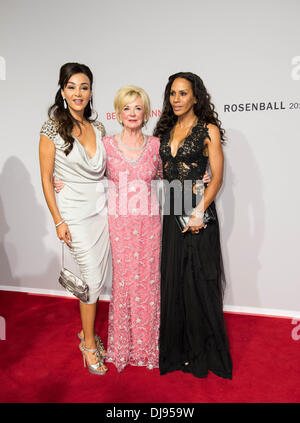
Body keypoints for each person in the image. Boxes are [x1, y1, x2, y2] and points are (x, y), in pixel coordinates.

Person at [154, 72, 233, 379]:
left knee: (199, 281)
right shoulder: (164, 131)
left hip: (198, 211)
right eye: (172, 93)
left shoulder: (208, 130)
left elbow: (218, 176)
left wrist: (199, 210)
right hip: (172, 208)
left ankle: (204, 352)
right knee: (175, 280)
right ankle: (179, 352)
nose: (176, 99)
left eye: (183, 93)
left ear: (196, 97)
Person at [39, 62, 112, 375]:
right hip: (74, 214)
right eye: (72, 87)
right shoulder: (50, 128)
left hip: (102, 211)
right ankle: (89, 345)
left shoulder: (99, 128)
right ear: (62, 90)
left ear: (91, 91)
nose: (78, 93)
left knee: (98, 278)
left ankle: (86, 330)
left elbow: (110, 169)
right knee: (91, 281)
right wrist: (58, 219)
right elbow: (45, 177)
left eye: (84, 86)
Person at [103, 86, 162, 371]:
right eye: (127, 108)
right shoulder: (105, 145)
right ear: (118, 112)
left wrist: (201, 174)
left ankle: (147, 347)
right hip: (120, 226)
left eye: (138, 108)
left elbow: (174, 174)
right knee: (124, 284)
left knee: (148, 284)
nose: (132, 113)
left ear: (146, 112)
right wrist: (62, 182)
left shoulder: (156, 146)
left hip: (150, 225)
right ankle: (123, 348)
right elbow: (86, 175)